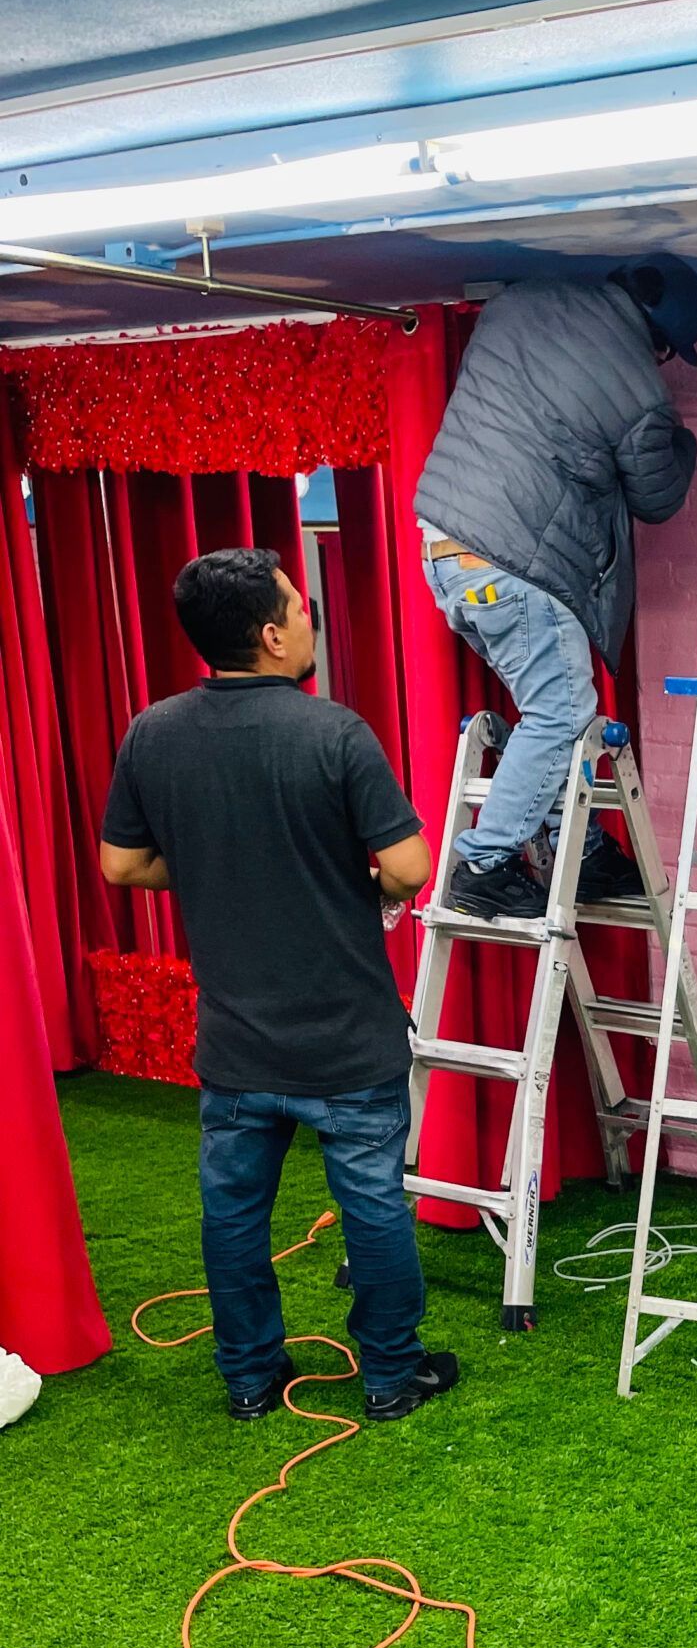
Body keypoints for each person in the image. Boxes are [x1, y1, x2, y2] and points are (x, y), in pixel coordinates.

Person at [99, 548, 456, 1425]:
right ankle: (388, 1376)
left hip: (235, 1047)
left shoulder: (153, 732)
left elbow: (122, 864)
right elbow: (410, 868)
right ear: (269, 635)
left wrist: (223, 867)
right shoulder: (334, 733)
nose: (308, 618)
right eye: (298, 606)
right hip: (347, 1042)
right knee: (372, 1209)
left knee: (232, 1215)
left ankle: (251, 1378)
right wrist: (356, 883)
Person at [413, 256, 697, 920]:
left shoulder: (520, 301)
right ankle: (484, 863)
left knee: (550, 709)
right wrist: (680, 440)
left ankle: (568, 847)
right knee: (564, 712)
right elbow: (657, 497)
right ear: (660, 338)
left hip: (445, 548)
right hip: (514, 562)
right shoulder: (639, 390)